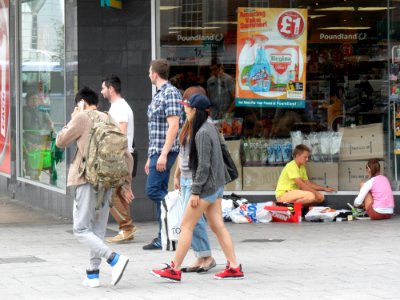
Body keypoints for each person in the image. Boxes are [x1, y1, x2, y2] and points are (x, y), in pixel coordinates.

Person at [151, 93, 244, 282]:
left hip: (206, 188)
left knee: (186, 226)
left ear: (195, 110)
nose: (184, 109)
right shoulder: (210, 127)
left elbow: (203, 166)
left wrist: (195, 191)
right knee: (217, 225)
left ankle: (174, 269)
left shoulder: (201, 132)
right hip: (216, 186)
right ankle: (234, 267)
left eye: (187, 106)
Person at [56, 87, 133, 287]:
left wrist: (75, 116)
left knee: (81, 229)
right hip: (107, 181)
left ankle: (114, 259)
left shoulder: (82, 118)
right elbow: (127, 154)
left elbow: (60, 141)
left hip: (87, 179)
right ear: (97, 103)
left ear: (80, 103)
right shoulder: (108, 118)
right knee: (97, 230)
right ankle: (93, 274)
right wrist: (126, 184)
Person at [173, 86, 216, 273]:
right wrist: (177, 175)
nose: (184, 107)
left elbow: (203, 161)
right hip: (185, 178)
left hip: (194, 180)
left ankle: (205, 256)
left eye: (187, 103)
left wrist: (196, 187)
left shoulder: (204, 127)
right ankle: (202, 255)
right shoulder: (189, 123)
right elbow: (183, 153)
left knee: (190, 222)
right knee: (193, 221)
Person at [144, 59, 182, 250]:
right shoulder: (159, 94)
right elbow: (155, 129)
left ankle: (175, 218)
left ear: (155, 74)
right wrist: (150, 156)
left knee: (154, 191)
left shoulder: (171, 93)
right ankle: (165, 235)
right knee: (157, 190)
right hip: (156, 151)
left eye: (150, 71)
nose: (148, 74)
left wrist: (163, 154)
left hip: (164, 151)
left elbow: (174, 126)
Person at [100, 74, 136, 243]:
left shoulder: (119, 107)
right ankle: (127, 229)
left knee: (111, 195)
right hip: (120, 155)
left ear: (111, 89)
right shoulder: (119, 106)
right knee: (119, 194)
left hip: (119, 156)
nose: (102, 92)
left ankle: (127, 227)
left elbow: (121, 132)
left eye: (103, 88)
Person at [22, 91, 55, 180]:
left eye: (36, 99)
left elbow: (50, 122)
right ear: (26, 101)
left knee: (48, 151)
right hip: (27, 137)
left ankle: (39, 171)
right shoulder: (22, 111)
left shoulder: (42, 110)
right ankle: (32, 173)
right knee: (30, 150)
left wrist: (53, 131)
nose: (34, 101)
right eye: (32, 99)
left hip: (40, 137)